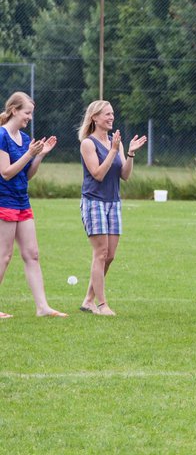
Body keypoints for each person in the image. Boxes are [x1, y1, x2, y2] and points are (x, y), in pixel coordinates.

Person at [77, 100, 147, 315]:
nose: (111, 117)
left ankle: (88, 300)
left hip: (113, 202)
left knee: (110, 255)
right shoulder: (88, 144)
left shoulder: (116, 142)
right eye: (106, 114)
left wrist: (130, 154)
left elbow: (124, 175)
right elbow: (97, 174)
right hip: (94, 201)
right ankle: (101, 304)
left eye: (112, 114)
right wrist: (112, 151)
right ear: (95, 118)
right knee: (100, 253)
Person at [0, 92, 64, 318]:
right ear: (14, 110)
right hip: (4, 201)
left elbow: (26, 176)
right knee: (4, 255)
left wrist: (39, 156)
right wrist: (29, 154)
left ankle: (42, 308)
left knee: (32, 254)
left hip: (21, 201)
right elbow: (6, 173)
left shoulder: (26, 139)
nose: (29, 117)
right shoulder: (1, 135)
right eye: (27, 112)